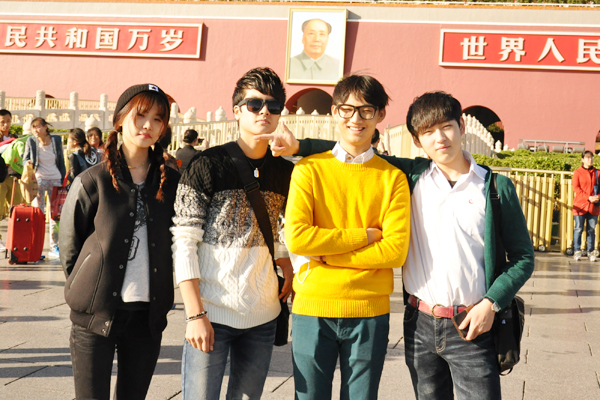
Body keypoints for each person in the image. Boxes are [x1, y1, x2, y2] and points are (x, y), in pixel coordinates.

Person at [259, 90, 535, 400]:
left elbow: (523, 257)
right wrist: (300, 147)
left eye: (447, 127)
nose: (440, 138)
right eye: (428, 132)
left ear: (461, 126)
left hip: (472, 322)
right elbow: (354, 147)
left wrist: (492, 302)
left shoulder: (495, 187)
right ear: (417, 141)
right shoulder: (414, 176)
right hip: (420, 324)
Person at [284, 75, 410, 400]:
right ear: (334, 111)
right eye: (347, 109)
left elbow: (394, 252)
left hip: (369, 309)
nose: (356, 119)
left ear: (380, 115)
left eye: (366, 110)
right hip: (313, 306)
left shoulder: (393, 179)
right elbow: (297, 238)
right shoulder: (308, 170)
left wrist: (329, 254)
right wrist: (364, 236)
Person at [171, 67, 294, 400]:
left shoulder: (286, 171)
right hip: (211, 312)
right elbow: (184, 242)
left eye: (273, 105)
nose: (264, 112)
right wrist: (195, 314)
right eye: (255, 104)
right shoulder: (206, 165)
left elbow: (285, 227)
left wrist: (283, 257)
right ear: (237, 110)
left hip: (263, 315)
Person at [59, 83, 179, 400]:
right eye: (140, 115)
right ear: (120, 119)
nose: (148, 125)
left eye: (157, 119)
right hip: (94, 314)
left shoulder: (171, 183)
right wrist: (87, 287)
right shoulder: (93, 180)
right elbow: (70, 247)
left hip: (147, 317)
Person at [23, 117, 66, 259]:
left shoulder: (56, 140)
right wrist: (27, 162)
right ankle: (37, 248)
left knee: (55, 216)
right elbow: (25, 158)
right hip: (38, 180)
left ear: (45, 127)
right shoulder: (31, 141)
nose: (35, 130)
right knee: (38, 214)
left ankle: (55, 246)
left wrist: (64, 179)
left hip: (55, 179)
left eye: (38, 126)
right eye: (33, 127)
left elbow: (61, 160)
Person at [572, 150, 599, 261]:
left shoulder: (597, 173)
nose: (590, 159)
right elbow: (576, 188)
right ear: (582, 159)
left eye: (591, 157)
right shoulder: (577, 172)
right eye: (587, 157)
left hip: (593, 206)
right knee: (578, 228)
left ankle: (591, 251)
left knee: (591, 230)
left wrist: (597, 197)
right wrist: (588, 197)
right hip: (580, 205)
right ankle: (577, 250)